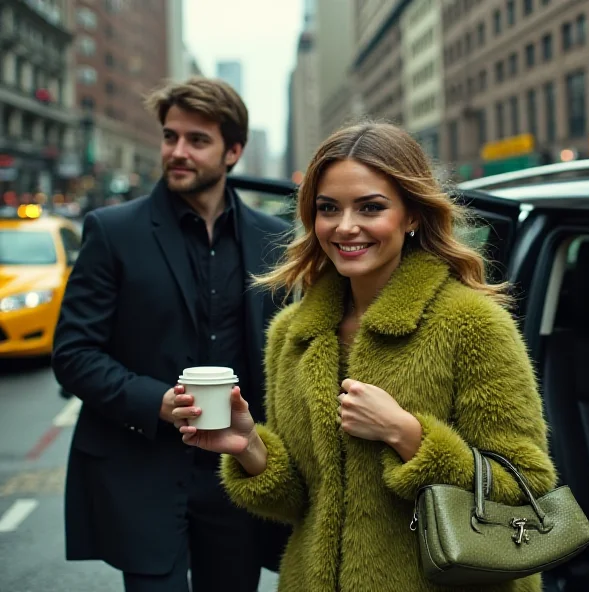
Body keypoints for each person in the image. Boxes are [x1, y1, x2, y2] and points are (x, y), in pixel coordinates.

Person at [173, 122, 558, 592]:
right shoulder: (293, 336)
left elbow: (528, 487)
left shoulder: (473, 325)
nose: (345, 226)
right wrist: (249, 447)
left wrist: (406, 434)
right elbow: (300, 504)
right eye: (328, 208)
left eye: (371, 207)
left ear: (412, 215)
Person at [52, 76, 291, 592]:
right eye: (170, 136)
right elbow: (73, 353)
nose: (177, 152)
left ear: (233, 151)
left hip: (236, 472)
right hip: (142, 469)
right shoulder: (112, 231)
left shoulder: (275, 241)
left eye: (197, 140)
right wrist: (156, 401)